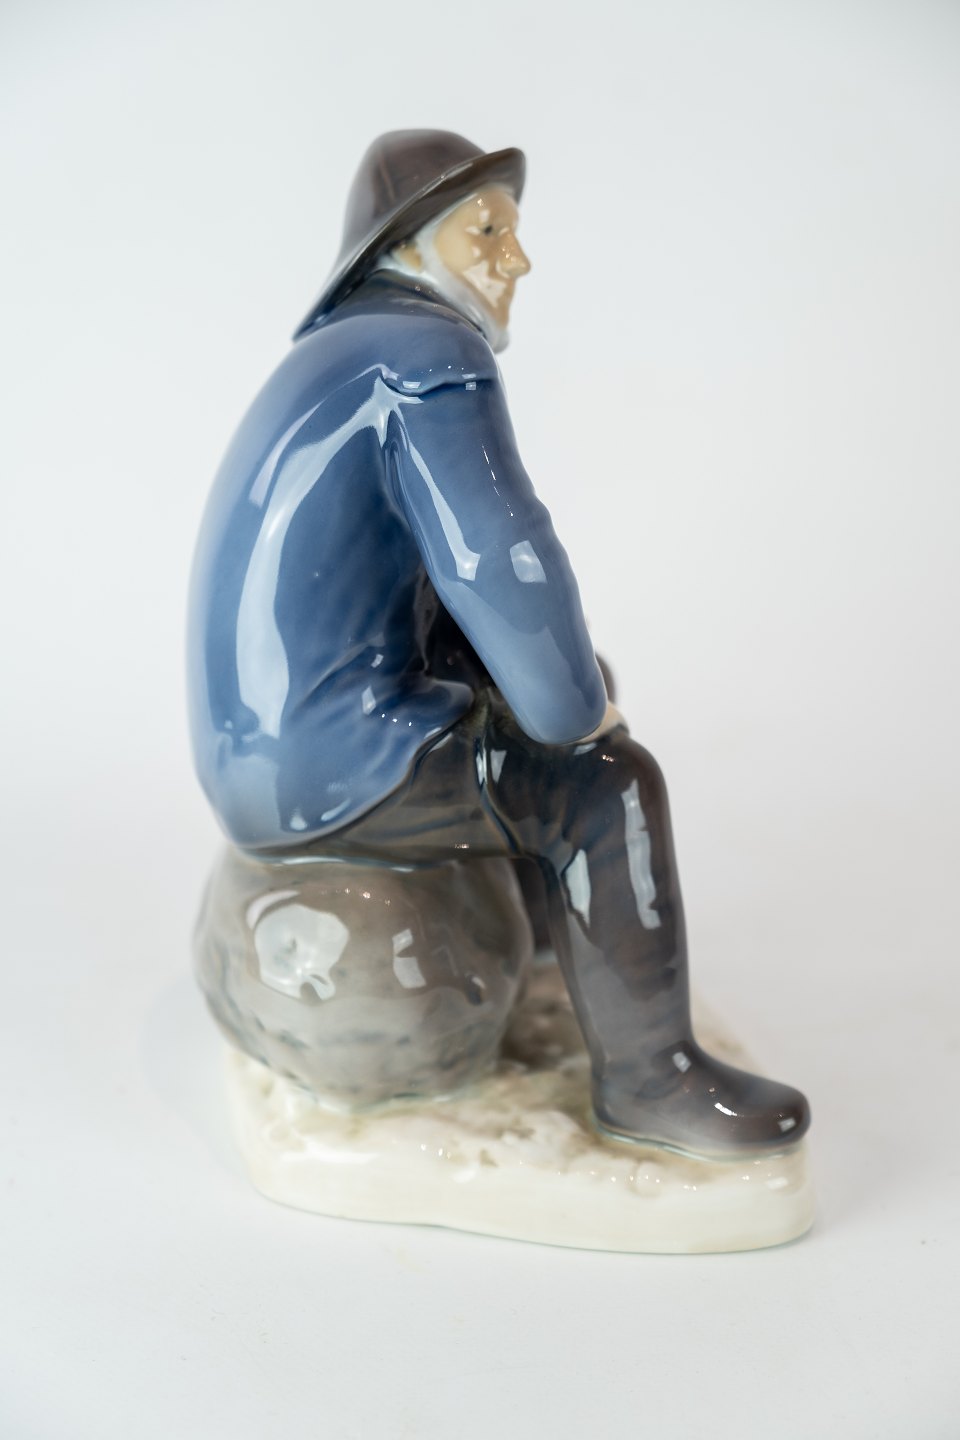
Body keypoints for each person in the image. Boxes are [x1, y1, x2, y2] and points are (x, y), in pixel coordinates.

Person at [188, 129, 810, 1158]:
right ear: (405, 246)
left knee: (568, 700)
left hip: (270, 745)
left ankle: (546, 960)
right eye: (485, 231)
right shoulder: (426, 355)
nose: (516, 258)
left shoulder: (346, 355)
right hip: (330, 756)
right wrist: (571, 716)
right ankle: (651, 1081)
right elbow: (495, 553)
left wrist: (564, 690)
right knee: (603, 782)